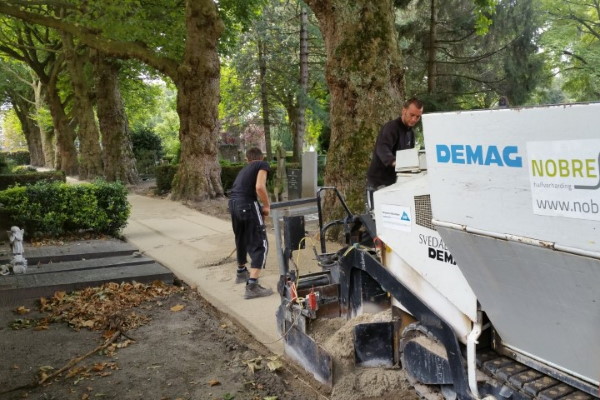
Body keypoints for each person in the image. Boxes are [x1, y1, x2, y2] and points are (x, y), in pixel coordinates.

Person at [228, 147, 274, 299]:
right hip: (247, 204)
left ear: (247, 159)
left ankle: (241, 272)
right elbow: (260, 186)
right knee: (260, 242)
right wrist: (266, 205)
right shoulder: (261, 165)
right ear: (261, 157)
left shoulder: (244, 170)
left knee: (241, 237)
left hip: (233, 204)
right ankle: (252, 285)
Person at [365, 97, 424, 209]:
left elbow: (408, 156)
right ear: (404, 111)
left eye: (418, 117)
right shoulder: (391, 128)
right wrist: (395, 163)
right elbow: (382, 148)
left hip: (396, 182)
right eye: (412, 115)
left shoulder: (410, 134)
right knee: (378, 217)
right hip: (379, 181)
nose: (414, 119)